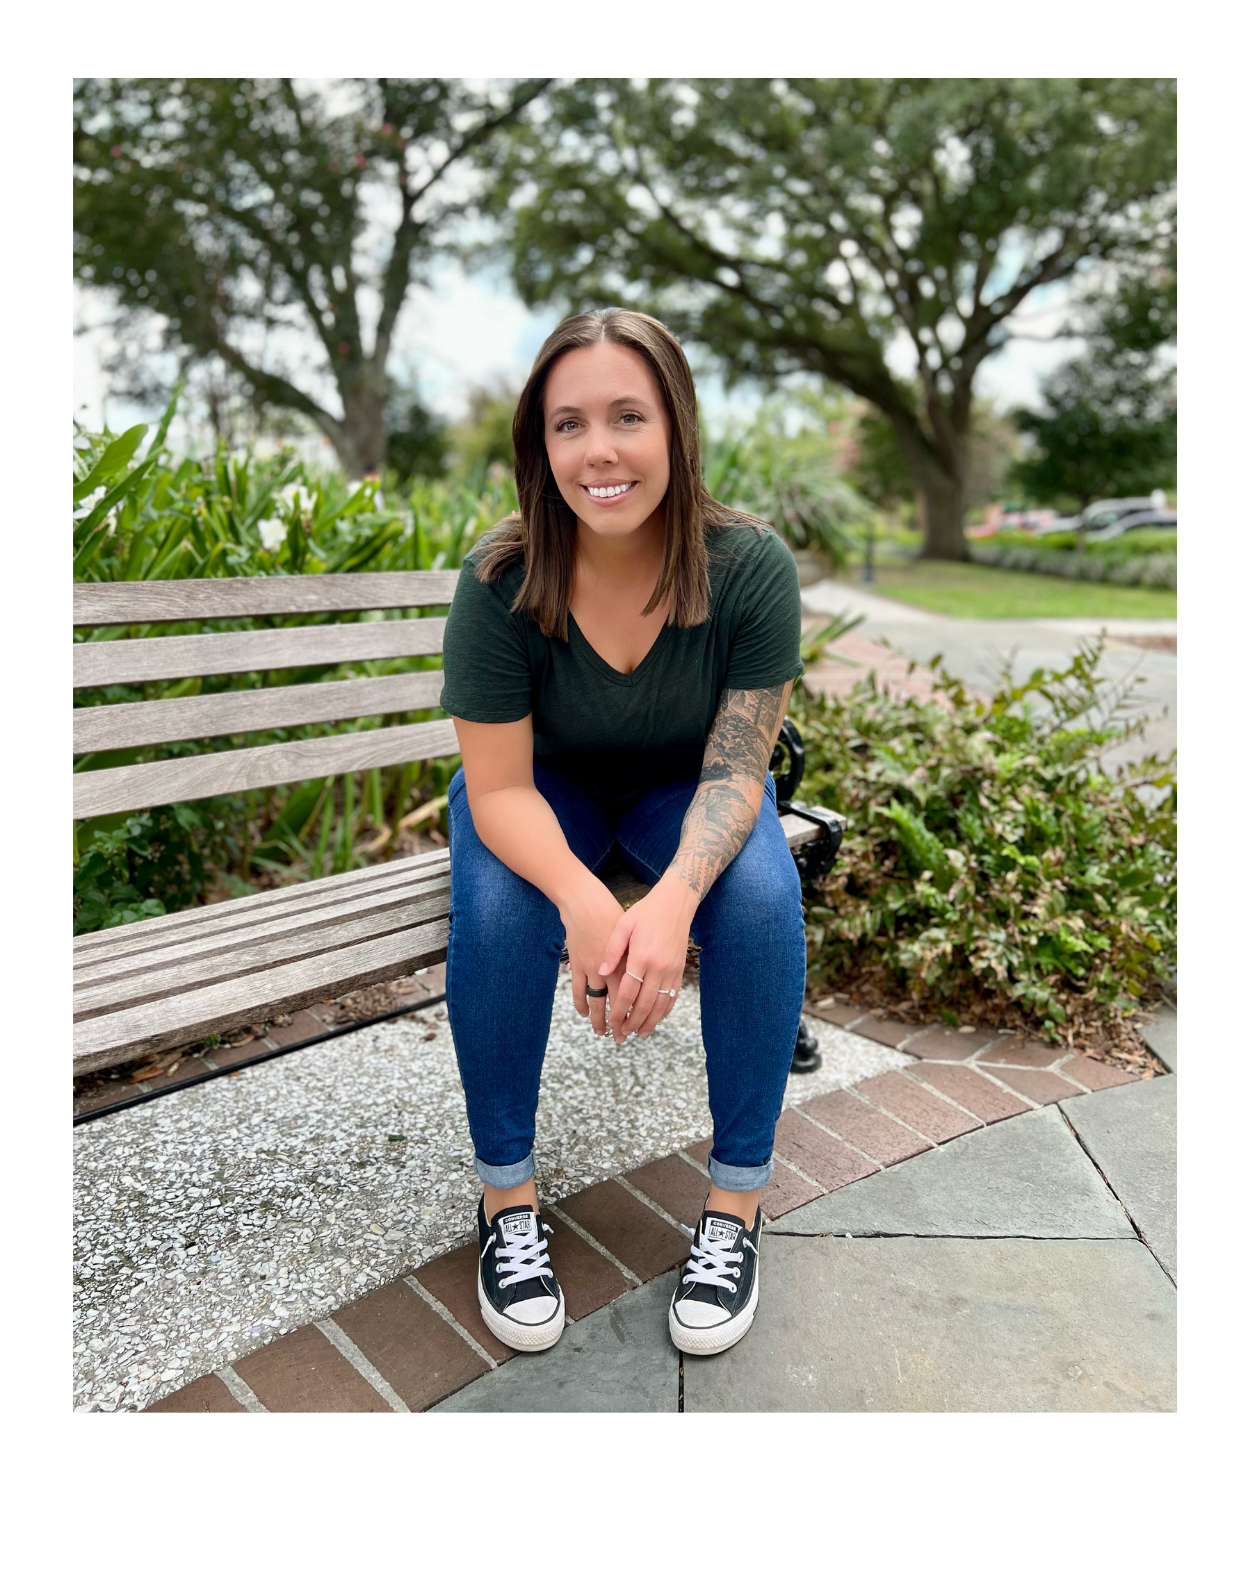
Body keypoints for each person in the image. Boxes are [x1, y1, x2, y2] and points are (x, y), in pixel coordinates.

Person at [439, 307, 807, 1358]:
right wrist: (592, 901)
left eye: (627, 417)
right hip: (535, 793)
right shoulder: (499, 581)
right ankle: (505, 1203)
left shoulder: (749, 568)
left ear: (676, 428)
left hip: (678, 790)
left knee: (762, 896)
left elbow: (739, 768)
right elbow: (499, 789)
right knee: (504, 912)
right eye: (567, 425)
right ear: (538, 444)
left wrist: (674, 899)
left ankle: (735, 1209)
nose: (597, 451)